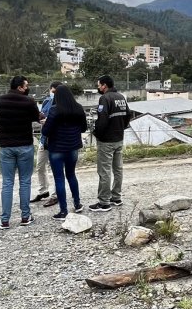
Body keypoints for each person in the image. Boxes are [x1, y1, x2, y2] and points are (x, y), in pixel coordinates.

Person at [0, 75, 41, 228]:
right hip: (25, 145)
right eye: (26, 86)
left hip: (6, 146)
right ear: (20, 87)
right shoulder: (29, 102)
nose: (28, 88)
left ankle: (5, 219)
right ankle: (25, 217)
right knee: (25, 182)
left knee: (7, 183)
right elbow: (37, 117)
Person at [42, 85, 87, 219]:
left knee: (59, 179)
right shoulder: (78, 108)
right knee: (71, 175)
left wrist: (45, 124)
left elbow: (46, 131)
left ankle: (63, 211)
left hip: (56, 149)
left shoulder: (54, 110)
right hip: (73, 148)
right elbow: (83, 128)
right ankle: (77, 204)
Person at [89, 75, 130, 213]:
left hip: (106, 141)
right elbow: (128, 115)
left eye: (99, 85)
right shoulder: (121, 97)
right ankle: (116, 197)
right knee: (118, 169)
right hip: (119, 138)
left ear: (105, 85)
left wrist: (97, 133)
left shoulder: (105, 98)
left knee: (104, 171)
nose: (98, 87)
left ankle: (104, 202)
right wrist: (121, 128)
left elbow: (102, 120)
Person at [38, 82, 61, 209]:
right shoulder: (47, 102)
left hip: (56, 141)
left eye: (55, 92)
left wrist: (50, 122)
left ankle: (55, 195)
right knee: (40, 166)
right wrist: (42, 120)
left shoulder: (64, 105)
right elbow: (41, 115)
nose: (53, 94)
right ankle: (43, 190)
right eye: (52, 91)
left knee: (56, 170)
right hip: (44, 138)